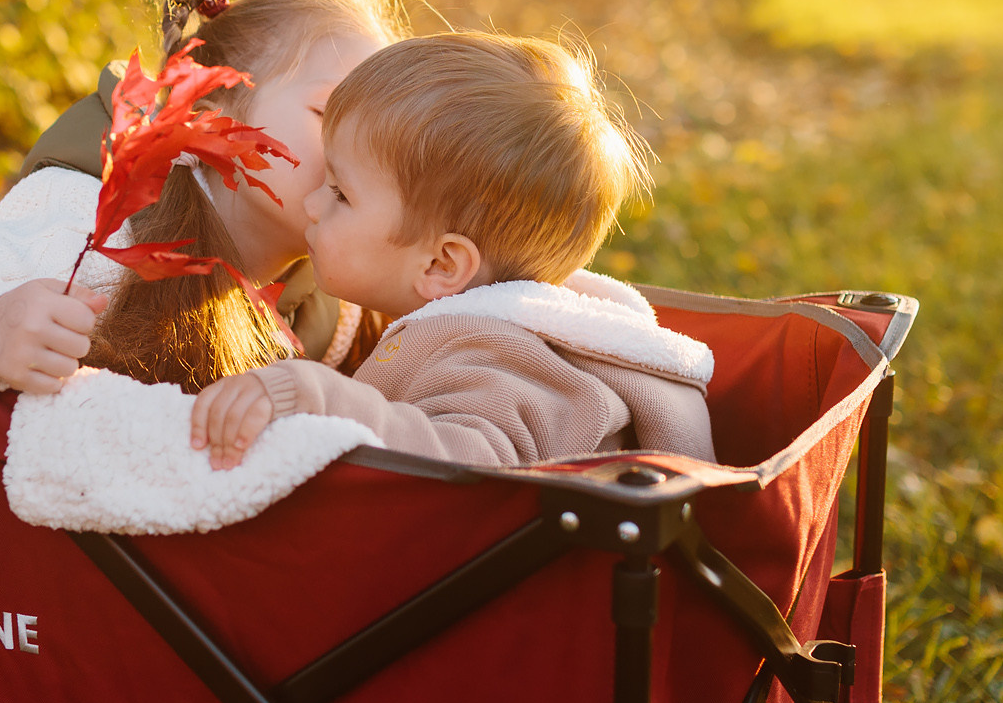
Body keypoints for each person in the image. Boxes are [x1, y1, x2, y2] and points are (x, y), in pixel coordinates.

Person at [0, 0, 407, 392]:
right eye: (330, 112)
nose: (362, 151)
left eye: (387, 135)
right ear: (211, 115)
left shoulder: (337, 288)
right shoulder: (99, 227)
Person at [189, 32, 717, 468]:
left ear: (443, 265)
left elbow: (468, 470)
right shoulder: (504, 326)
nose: (310, 204)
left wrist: (318, 396)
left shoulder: (490, 351)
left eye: (341, 193)